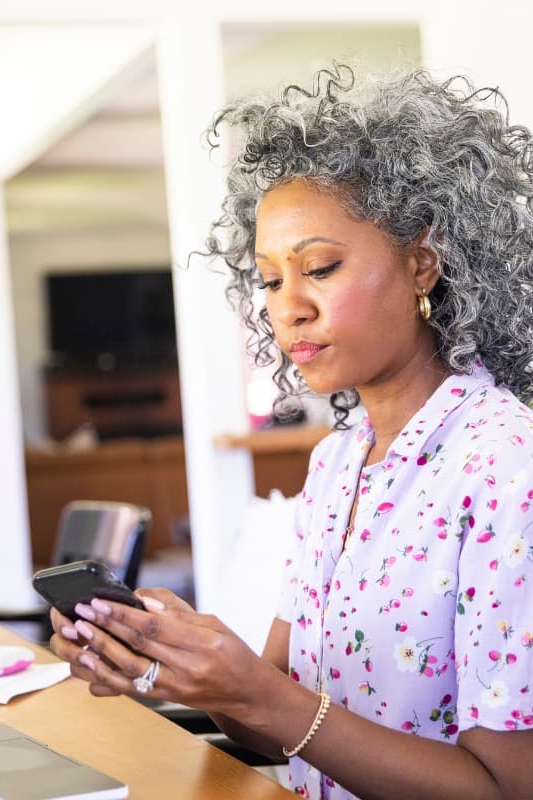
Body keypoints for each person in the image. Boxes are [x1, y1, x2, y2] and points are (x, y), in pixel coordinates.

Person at [50, 64, 533, 799]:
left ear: (422, 263)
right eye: (271, 279)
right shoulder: (337, 462)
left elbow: (506, 789)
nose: (288, 307)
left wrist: (260, 695)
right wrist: (176, 662)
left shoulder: (506, 467)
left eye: (321, 268)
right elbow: (273, 713)